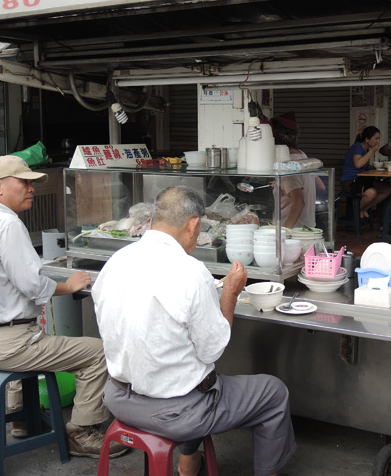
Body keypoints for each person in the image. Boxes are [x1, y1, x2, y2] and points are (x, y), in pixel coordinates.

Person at [92, 186, 296, 476]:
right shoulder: (191, 271)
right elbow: (213, 349)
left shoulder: (115, 262)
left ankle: (188, 461)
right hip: (174, 411)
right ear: (193, 225)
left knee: (191, 372)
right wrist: (230, 293)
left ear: (151, 220)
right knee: (271, 392)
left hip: (119, 398)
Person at [0, 155, 126, 459]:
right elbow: (33, 285)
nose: (31, 189)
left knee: (30, 333)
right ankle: (82, 432)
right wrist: (68, 286)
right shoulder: (7, 224)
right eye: (24, 182)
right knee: (97, 353)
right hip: (8, 344)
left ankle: (20, 418)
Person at [270, 111, 325, 228]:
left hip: (293, 230)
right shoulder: (302, 157)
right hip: (307, 226)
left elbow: (299, 202)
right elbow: (321, 186)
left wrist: (285, 232)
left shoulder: (287, 166)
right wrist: (283, 185)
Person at [340, 126, 391, 220]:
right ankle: (359, 211)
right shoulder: (357, 147)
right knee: (371, 193)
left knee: (386, 189)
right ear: (367, 139)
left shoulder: (366, 149)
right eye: (376, 138)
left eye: (378, 138)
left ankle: (364, 209)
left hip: (362, 179)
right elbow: (358, 164)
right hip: (350, 181)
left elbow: (364, 166)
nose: (377, 141)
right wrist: (372, 151)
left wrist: (379, 166)